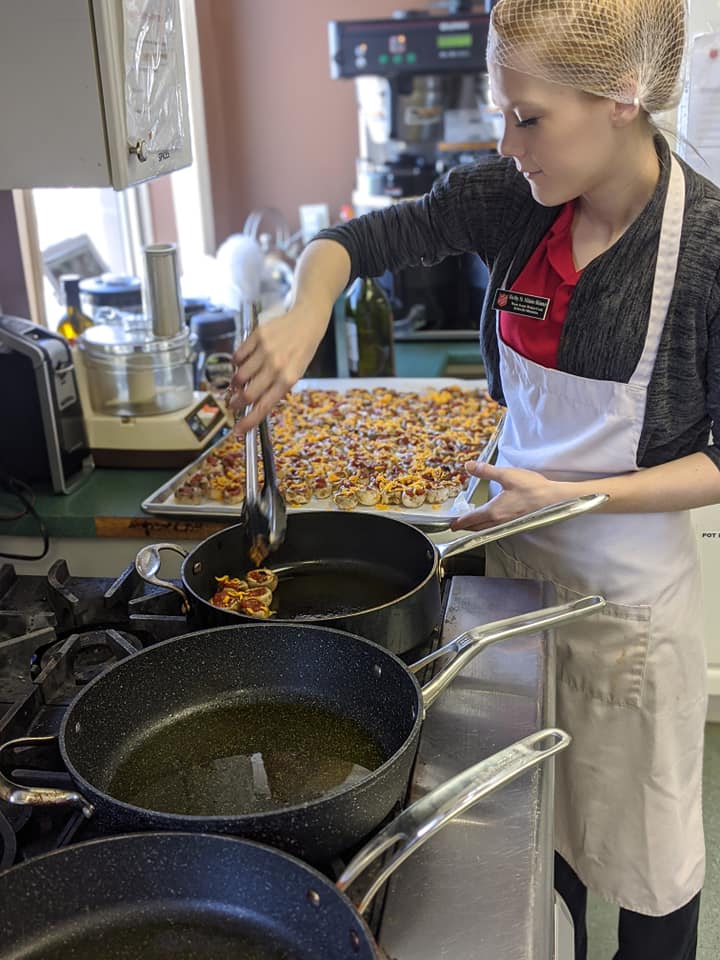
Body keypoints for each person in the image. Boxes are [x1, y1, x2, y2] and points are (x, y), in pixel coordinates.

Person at [229, 1, 720, 956]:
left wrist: (579, 497)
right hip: (507, 574)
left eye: (528, 117)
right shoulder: (514, 199)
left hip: (629, 604)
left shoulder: (705, 250)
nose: (508, 141)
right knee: (539, 823)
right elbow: (355, 243)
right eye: (502, 112)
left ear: (620, 97)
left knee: (648, 854)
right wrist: (303, 313)